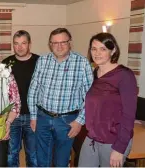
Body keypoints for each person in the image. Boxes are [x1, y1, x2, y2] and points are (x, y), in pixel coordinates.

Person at [27, 28, 94, 167]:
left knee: (61, 162)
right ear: (50, 44)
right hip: (43, 118)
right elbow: (33, 90)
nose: (59, 46)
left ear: (70, 43)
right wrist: (33, 116)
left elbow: (90, 97)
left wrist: (79, 122)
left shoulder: (82, 63)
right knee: (42, 160)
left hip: (67, 121)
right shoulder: (42, 61)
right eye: (55, 42)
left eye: (63, 42)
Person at [78, 33, 137, 167]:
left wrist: (119, 148)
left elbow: (129, 115)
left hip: (114, 140)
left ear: (113, 50)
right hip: (92, 138)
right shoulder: (94, 73)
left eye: (103, 49)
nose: (97, 53)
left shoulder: (124, 75)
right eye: (94, 49)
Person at [2, 30, 39, 167]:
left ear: (29, 44)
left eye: (23, 43)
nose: (20, 47)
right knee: (11, 154)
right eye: (16, 44)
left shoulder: (39, 62)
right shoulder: (6, 63)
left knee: (33, 155)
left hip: (33, 117)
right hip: (13, 117)